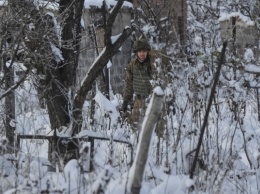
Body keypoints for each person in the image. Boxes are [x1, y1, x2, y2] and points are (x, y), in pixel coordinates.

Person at [121, 38, 157, 132]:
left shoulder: (153, 63)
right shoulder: (132, 65)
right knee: (135, 127)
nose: (142, 54)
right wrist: (125, 101)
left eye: (144, 51)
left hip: (152, 101)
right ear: (136, 52)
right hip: (139, 101)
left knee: (152, 129)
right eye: (140, 51)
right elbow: (129, 84)